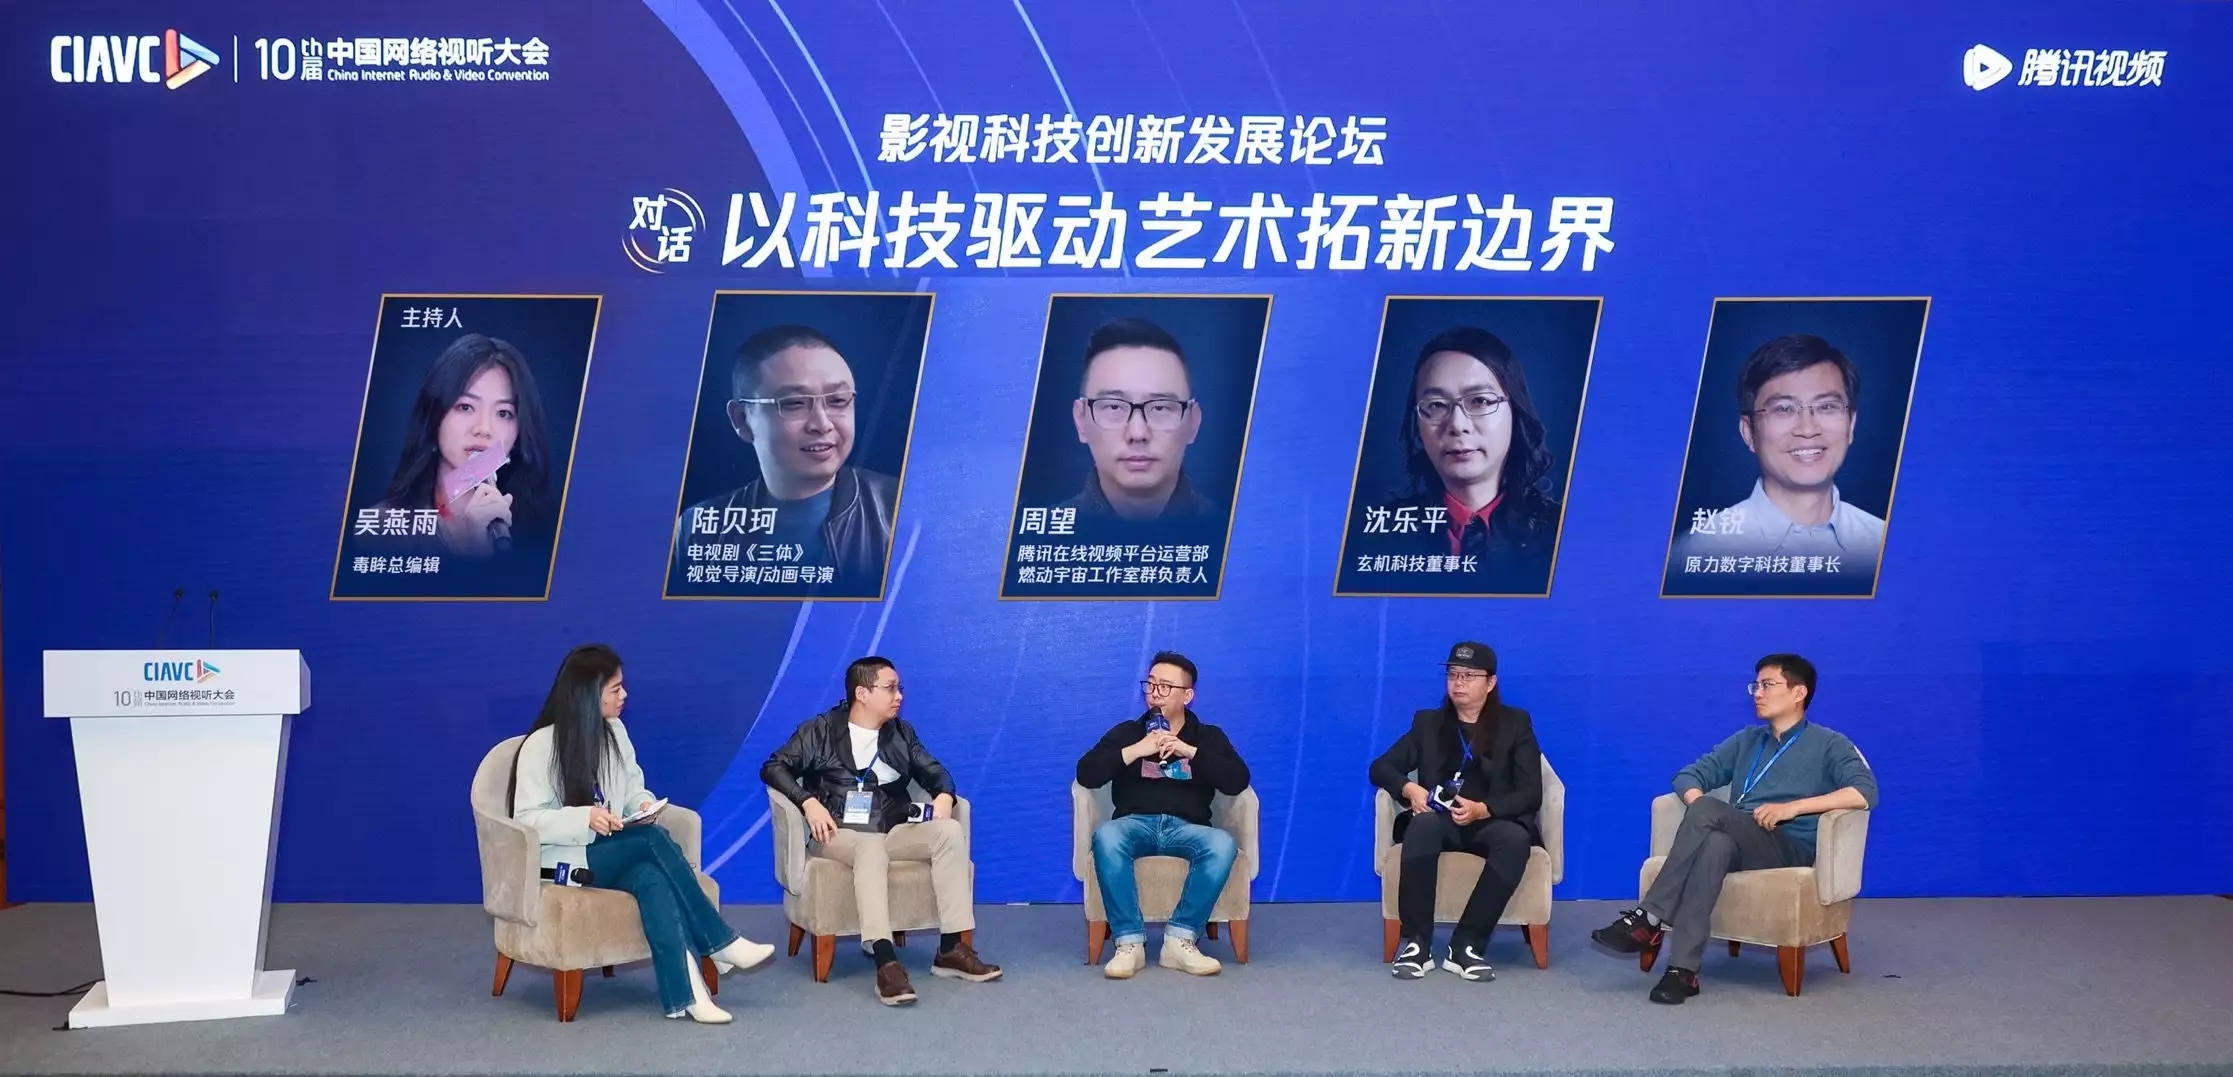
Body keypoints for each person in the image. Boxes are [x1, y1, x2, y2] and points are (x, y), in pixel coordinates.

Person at [1590, 653, 1880, 1004]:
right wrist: (1701, 808)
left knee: (1710, 815)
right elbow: (1688, 776)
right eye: (1755, 686)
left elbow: (1865, 792)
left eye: (1768, 685)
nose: (1758, 693)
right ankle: (1683, 971)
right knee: (1714, 843)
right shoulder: (1748, 740)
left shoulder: (1829, 743)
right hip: (1741, 836)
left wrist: (1793, 807)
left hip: (1788, 845)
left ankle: (1649, 916)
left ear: (1798, 693)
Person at [510, 644, 775, 1023]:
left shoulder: (615, 732)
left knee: (651, 878)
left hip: (613, 848)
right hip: (567, 859)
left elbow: (633, 788)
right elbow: (526, 820)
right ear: (588, 694)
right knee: (652, 841)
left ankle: (686, 997)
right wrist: (584, 817)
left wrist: (643, 805)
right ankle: (718, 941)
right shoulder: (540, 745)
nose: (625, 696)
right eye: (615, 689)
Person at [760, 656, 1001, 1006]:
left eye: (899, 688)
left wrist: (944, 796)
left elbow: (935, 772)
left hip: (891, 828)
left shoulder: (900, 732)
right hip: (838, 833)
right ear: (862, 693)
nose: (899, 695)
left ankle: (950, 949)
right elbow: (774, 767)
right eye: (890, 688)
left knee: (948, 832)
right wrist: (807, 802)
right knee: (869, 848)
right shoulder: (819, 730)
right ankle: (886, 961)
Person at [1368, 641, 1543, 981]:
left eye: (1468, 676)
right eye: (1452, 675)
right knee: (1421, 826)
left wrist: (1484, 809)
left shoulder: (1515, 724)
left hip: (1490, 821)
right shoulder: (1428, 723)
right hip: (1441, 822)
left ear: (1490, 683)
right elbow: (1381, 767)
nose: (1458, 683)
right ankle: (1417, 944)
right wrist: (1409, 789)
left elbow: (1531, 792)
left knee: (1515, 840)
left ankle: (1466, 946)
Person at [673, 325, 898, 588]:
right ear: (742, 419)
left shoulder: (899, 510)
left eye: (838, 401)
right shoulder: (699, 529)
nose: (822, 424)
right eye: (794, 403)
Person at [1075, 651, 1251, 978]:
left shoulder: (1208, 736)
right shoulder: (1128, 732)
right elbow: (1086, 773)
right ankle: (1129, 944)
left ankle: (1180, 940)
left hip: (1188, 828)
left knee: (1222, 844)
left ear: (1188, 695)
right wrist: (1136, 751)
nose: (1155, 693)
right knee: (1107, 836)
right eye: (1151, 684)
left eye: (1165, 686)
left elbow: (1238, 780)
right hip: (1134, 825)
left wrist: (1190, 752)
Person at [1355, 327, 1561, 594]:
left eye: (1480, 401)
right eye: (1436, 405)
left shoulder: (1564, 534)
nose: (1457, 425)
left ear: (1515, 411)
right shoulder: (1373, 538)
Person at [1671, 334, 1886, 578]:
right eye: (1784, 409)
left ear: (1851, 424)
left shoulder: (1883, 543)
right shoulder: (1696, 553)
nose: (1808, 429)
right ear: (1748, 432)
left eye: (1826, 407)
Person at [362, 333, 557, 559]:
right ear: (435, 416)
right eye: (465, 407)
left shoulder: (544, 532)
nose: (483, 429)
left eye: (503, 413)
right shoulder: (382, 529)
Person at [1060, 318, 1218, 523]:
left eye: (1160, 407)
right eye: (1114, 406)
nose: (1138, 433)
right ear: (1081, 421)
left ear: (1193, 423)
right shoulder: (1040, 536)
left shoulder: (1234, 531)